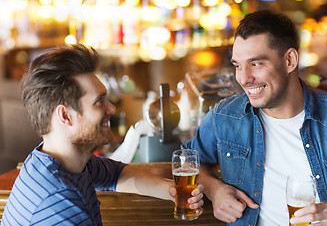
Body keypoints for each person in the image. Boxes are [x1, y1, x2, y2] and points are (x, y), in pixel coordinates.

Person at [183, 10, 327, 226]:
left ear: (290, 60)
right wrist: (215, 189)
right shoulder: (225, 116)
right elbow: (188, 163)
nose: (244, 78)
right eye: (237, 65)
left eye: (256, 63)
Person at [1, 44, 204, 225]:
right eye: (99, 101)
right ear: (65, 116)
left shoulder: (59, 161)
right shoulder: (59, 204)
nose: (112, 108)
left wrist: (174, 192)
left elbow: (116, 174)